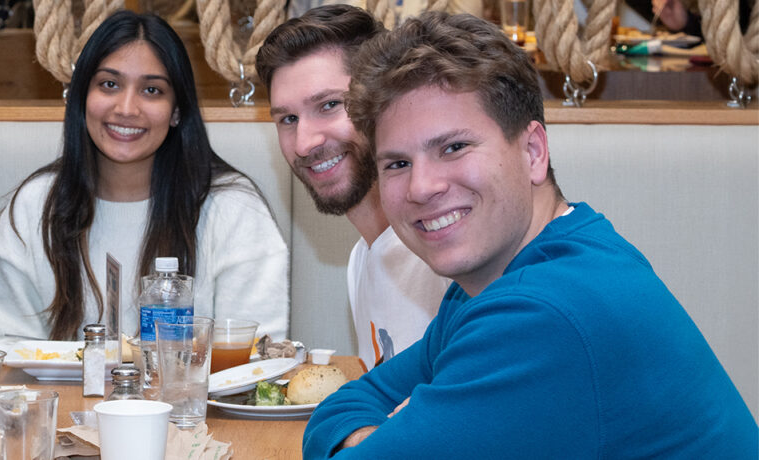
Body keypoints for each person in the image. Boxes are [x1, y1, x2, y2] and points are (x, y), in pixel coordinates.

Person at [303, 12, 758, 458]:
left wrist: (374, 435)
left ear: (534, 151)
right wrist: (376, 433)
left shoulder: (541, 316)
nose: (422, 187)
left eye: (454, 147)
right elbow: (338, 409)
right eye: (397, 164)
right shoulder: (531, 266)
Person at [0, 10, 290, 342]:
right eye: (109, 84)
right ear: (82, 98)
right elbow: (7, 352)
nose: (127, 108)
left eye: (152, 90)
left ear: (176, 111)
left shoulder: (233, 209)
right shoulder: (36, 205)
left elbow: (253, 356)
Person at [257, 5, 451, 371]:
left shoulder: (445, 253)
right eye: (288, 119)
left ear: (380, 101)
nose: (303, 143)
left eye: (329, 105)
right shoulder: (362, 260)